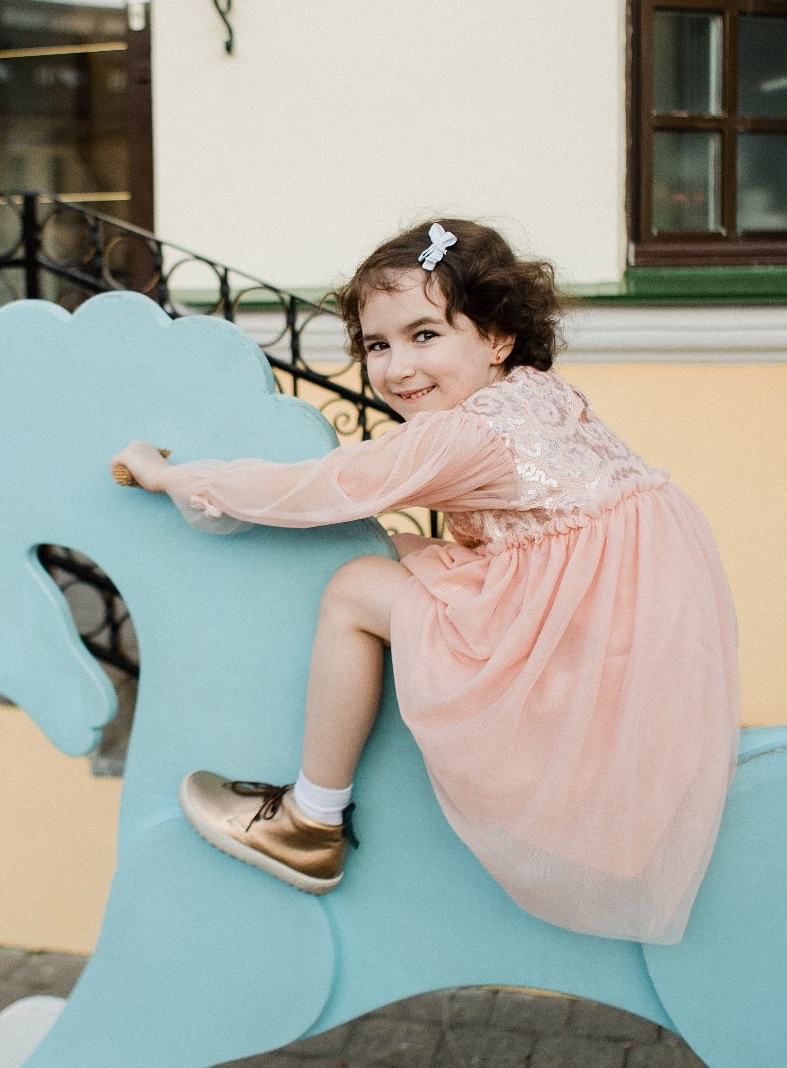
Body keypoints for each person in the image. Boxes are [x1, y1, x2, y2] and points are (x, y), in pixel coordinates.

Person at [108, 220, 739, 945]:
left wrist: (172, 475)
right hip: (619, 630)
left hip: (571, 638)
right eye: (378, 346)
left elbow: (321, 487)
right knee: (403, 547)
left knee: (353, 586)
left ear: (498, 337)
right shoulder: (538, 395)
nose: (398, 367)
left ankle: (310, 821)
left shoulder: (462, 434)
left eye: (425, 336)